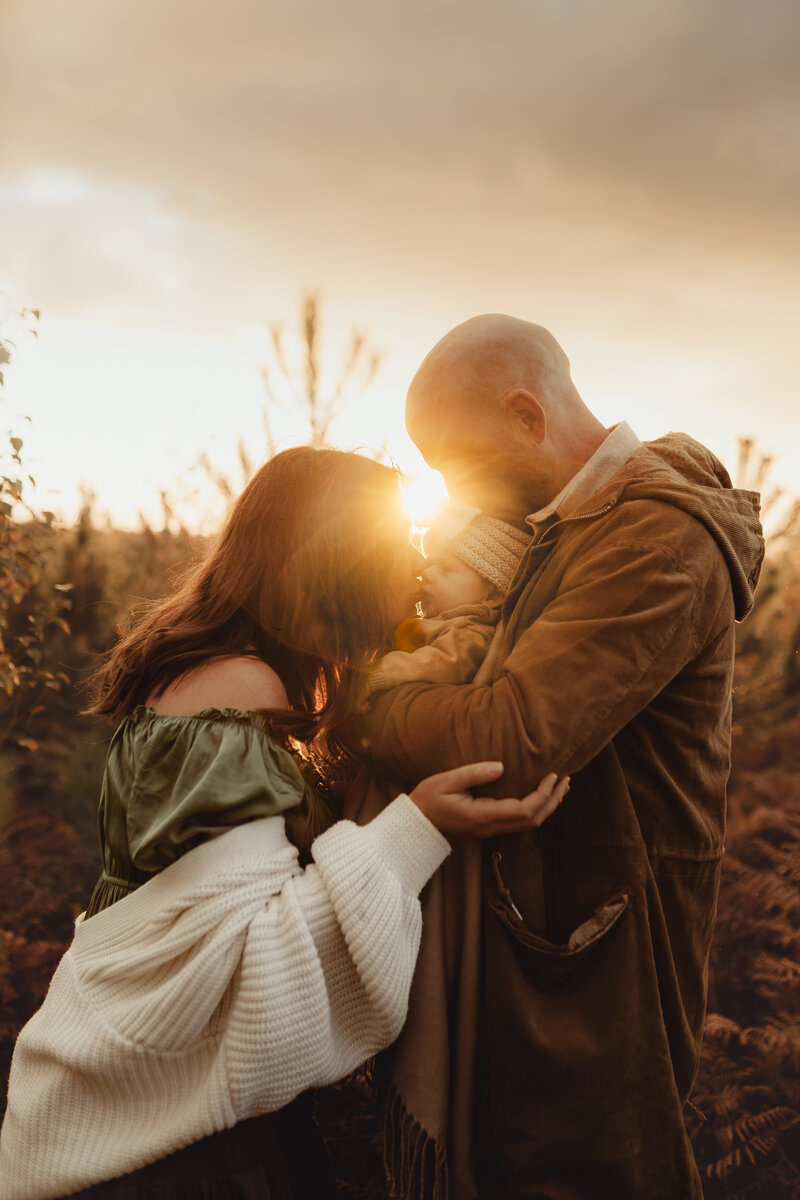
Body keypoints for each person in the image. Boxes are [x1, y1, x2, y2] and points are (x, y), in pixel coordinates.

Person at [0, 446, 569, 1200]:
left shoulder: (223, 670)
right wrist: (418, 828)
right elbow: (256, 968)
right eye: (403, 545)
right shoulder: (239, 684)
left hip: (158, 1109)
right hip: (154, 1149)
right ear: (341, 560)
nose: (419, 568)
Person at [357, 316, 766, 1200]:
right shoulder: (570, 526)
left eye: (454, 461)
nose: (448, 488)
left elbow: (510, 743)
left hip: (602, 968)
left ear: (525, 416)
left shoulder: (656, 538)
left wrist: (376, 702)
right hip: (554, 944)